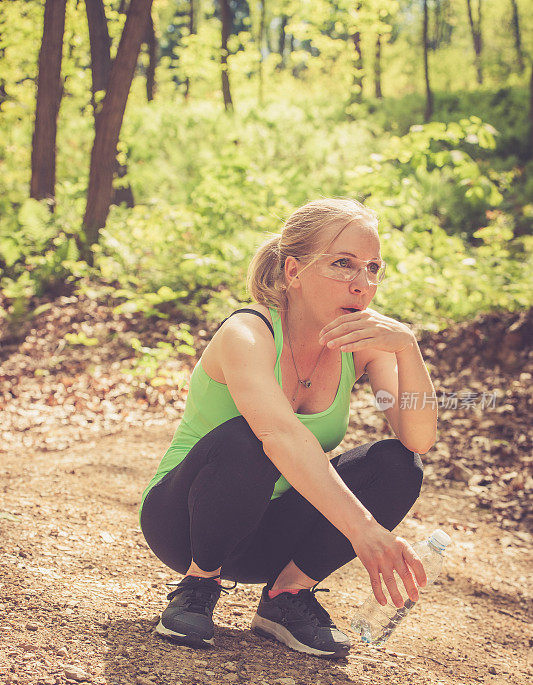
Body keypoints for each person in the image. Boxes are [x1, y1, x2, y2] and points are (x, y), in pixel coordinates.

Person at [139, 197, 437, 659]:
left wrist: (407, 348)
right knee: (251, 438)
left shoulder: (361, 344)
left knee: (399, 464)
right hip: (185, 521)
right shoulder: (247, 332)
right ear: (294, 271)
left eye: (373, 268)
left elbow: (418, 436)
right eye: (344, 264)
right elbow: (278, 435)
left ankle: (287, 596)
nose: (363, 284)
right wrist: (363, 529)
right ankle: (197, 585)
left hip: (266, 538)